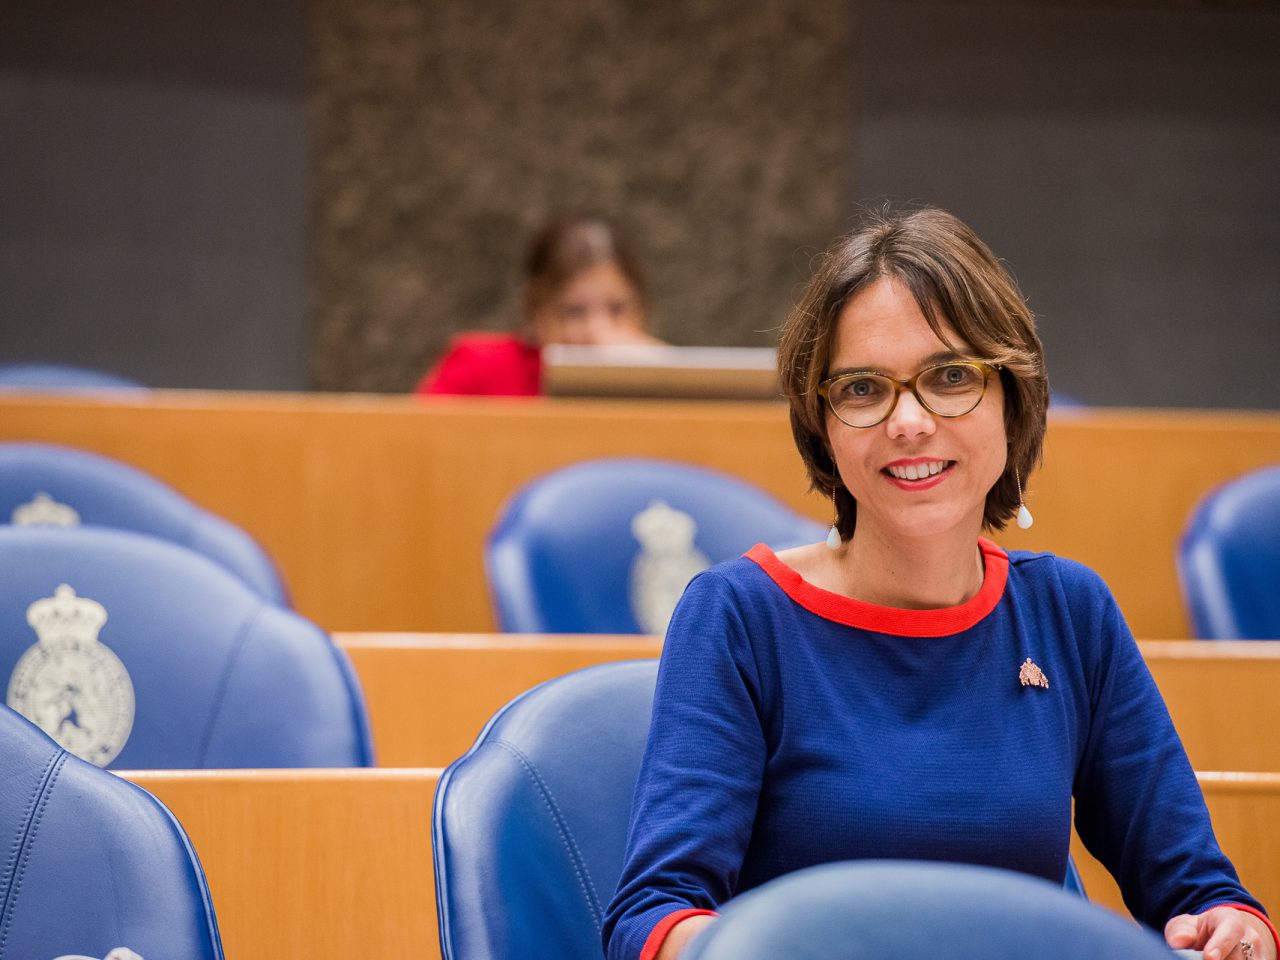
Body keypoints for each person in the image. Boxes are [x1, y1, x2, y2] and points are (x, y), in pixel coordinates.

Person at [602, 208, 1275, 960]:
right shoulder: (741, 617)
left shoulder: (1069, 613)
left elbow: (1199, 891)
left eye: (951, 377)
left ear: (1012, 399)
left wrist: (1230, 927)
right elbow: (652, 919)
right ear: (820, 424)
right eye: (863, 389)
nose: (910, 420)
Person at [414, 215, 659, 396]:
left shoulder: (658, 372)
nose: (598, 330)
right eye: (573, 311)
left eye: (617, 309)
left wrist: (657, 369)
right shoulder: (478, 366)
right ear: (536, 309)